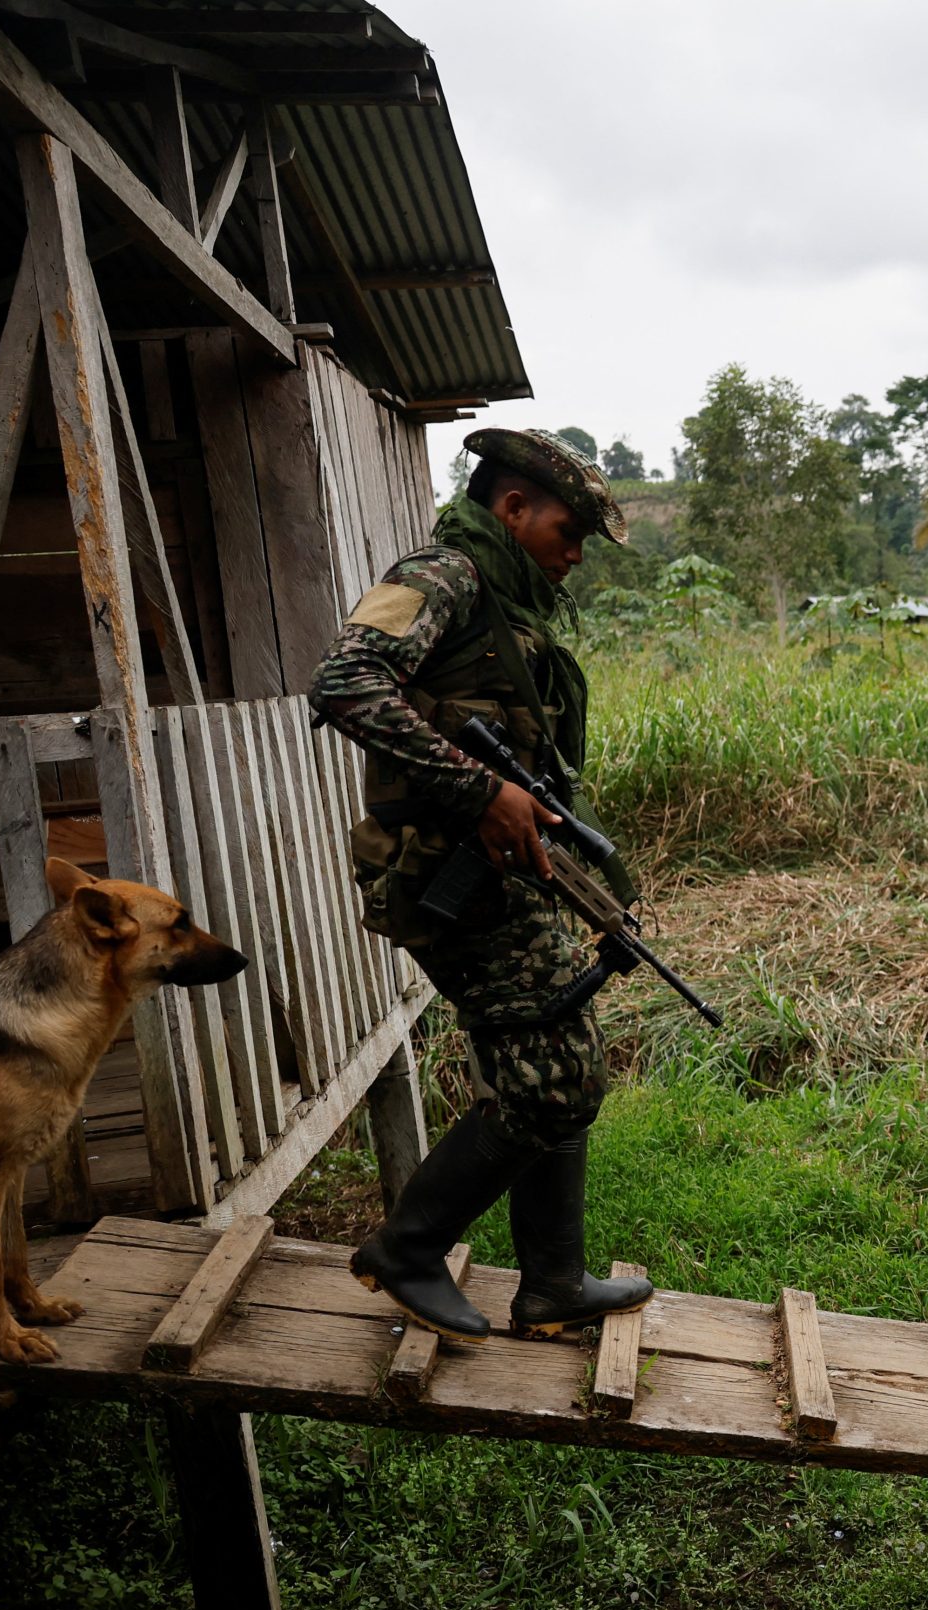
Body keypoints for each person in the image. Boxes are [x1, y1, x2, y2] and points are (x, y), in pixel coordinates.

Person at [310, 427, 653, 1346]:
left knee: (560, 1062)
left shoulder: (507, 596)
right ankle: (408, 1248)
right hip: (440, 874)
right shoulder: (445, 575)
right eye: (567, 531)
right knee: (553, 1081)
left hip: (502, 871)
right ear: (511, 507)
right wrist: (479, 787)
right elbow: (343, 681)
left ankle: (552, 1280)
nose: (575, 555)